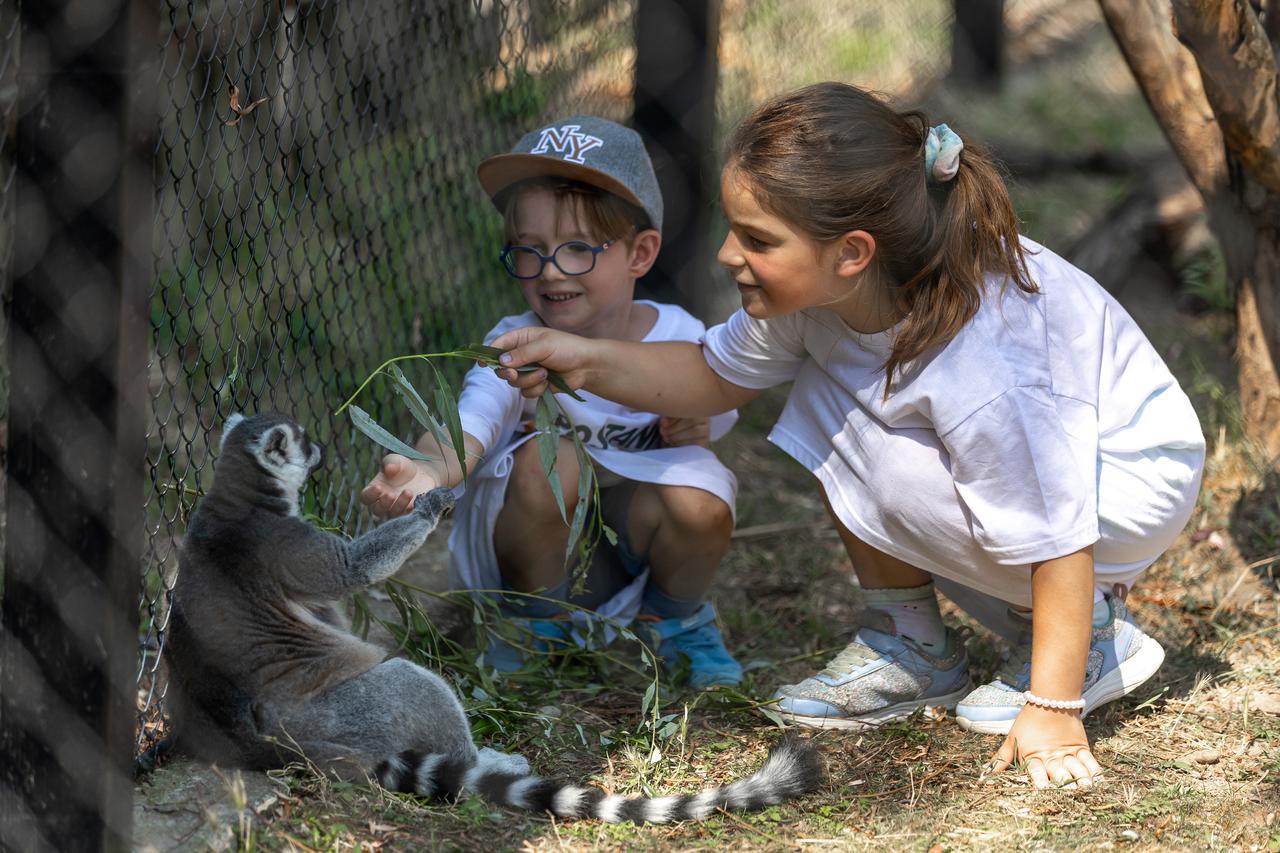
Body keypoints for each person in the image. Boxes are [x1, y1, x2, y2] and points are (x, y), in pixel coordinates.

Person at [486, 83, 1205, 789]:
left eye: (757, 239)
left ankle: (1088, 641)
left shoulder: (984, 361)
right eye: (733, 229)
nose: (728, 255)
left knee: (843, 408)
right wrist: (585, 358)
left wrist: (1052, 709)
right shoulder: (826, 293)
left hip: (1123, 485)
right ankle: (910, 640)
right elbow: (710, 374)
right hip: (1064, 481)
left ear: (851, 252)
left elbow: (1055, 530)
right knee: (833, 398)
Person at [361, 116, 743, 688]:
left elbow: (720, 400)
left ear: (640, 254)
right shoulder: (515, 344)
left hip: (628, 559)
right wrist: (428, 469)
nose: (551, 271)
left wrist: (700, 422)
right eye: (529, 250)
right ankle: (532, 630)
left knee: (702, 492)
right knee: (552, 458)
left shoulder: (678, 336)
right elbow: (470, 420)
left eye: (578, 248)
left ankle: (672, 621)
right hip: (525, 563)